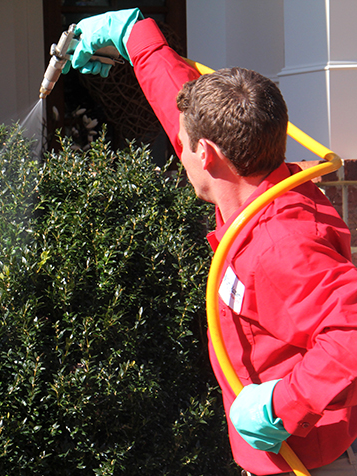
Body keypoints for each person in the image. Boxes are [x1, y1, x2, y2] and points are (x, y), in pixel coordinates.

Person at [65, 8, 357, 476]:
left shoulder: (280, 242)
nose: (180, 150)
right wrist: (134, 38)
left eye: (187, 145)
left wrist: (285, 401)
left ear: (208, 154)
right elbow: (180, 106)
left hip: (303, 464)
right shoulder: (248, 185)